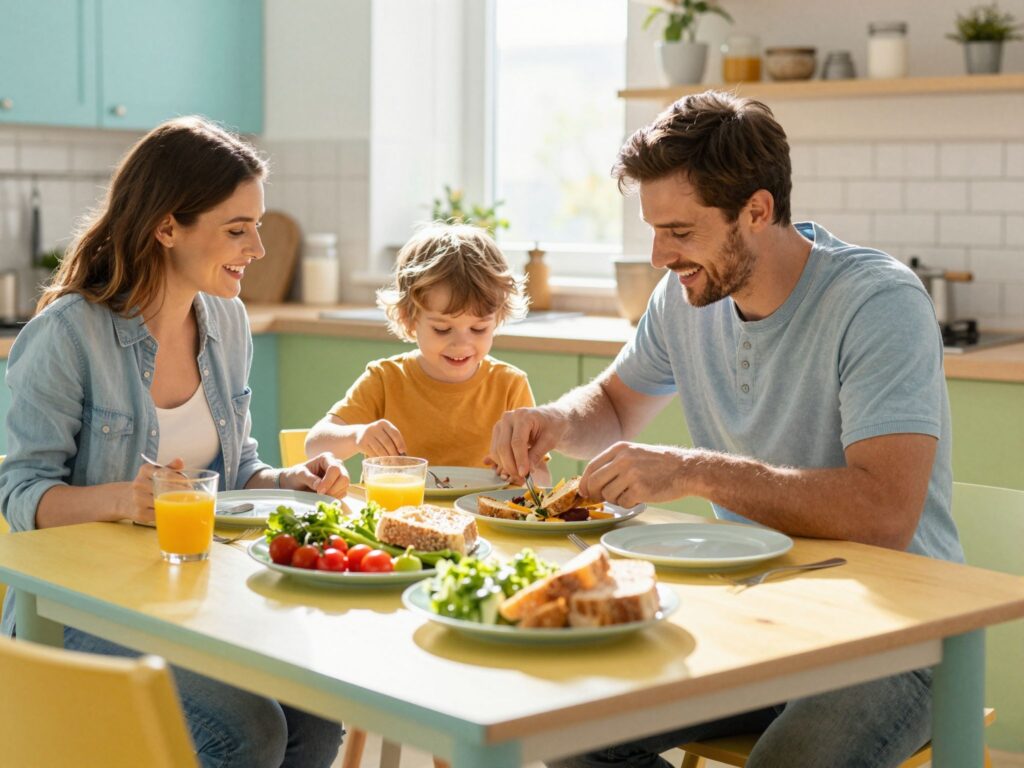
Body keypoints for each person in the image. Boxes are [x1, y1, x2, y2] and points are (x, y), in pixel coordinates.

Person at [489, 91, 962, 768]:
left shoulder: (876, 303)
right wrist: (554, 422)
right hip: (754, 620)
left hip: (896, 637)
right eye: (653, 230)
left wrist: (691, 470)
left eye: (680, 232)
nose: (659, 255)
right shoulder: (687, 296)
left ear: (758, 211)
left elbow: (885, 510)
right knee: (563, 731)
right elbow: (617, 408)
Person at [0, 116, 348, 768]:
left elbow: (235, 469)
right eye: (237, 229)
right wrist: (120, 501)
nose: (258, 249)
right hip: (79, 611)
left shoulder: (228, 321)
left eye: (258, 226)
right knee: (251, 732)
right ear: (167, 227)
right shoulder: (68, 334)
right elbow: (20, 497)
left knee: (318, 707)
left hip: (189, 597)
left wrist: (287, 481)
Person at [306, 222, 551, 482]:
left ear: (498, 319)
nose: (461, 344)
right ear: (409, 318)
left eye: (478, 329)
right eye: (442, 329)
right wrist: (357, 436)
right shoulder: (385, 379)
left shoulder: (509, 385)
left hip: (480, 521)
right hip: (394, 516)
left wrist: (522, 473)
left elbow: (542, 478)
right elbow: (314, 445)